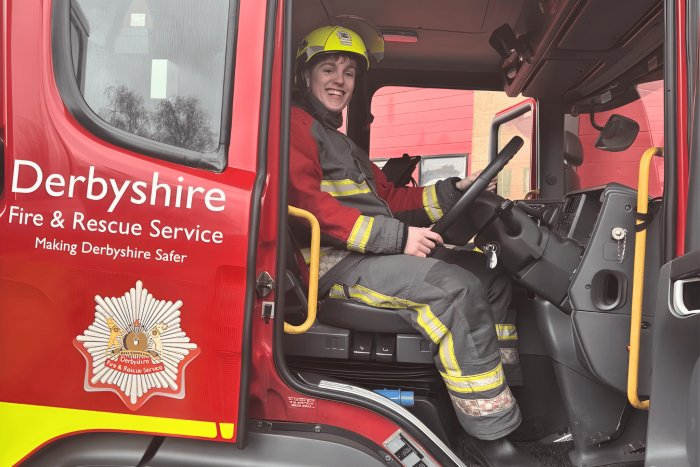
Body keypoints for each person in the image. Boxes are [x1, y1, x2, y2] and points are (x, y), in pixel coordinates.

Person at [288, 25, 535, 466]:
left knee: (493, 278)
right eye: (327, 68)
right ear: (304, 77)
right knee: (455, 292)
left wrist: (455, 188)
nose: (338, 80)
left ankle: (505, 403)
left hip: (370, 253)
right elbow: (307, 204)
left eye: (347, 72)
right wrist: (398, 238)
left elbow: (391, 199)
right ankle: (488, 440)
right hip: (332, 266)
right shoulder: (293, 126)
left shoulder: (343, 143)